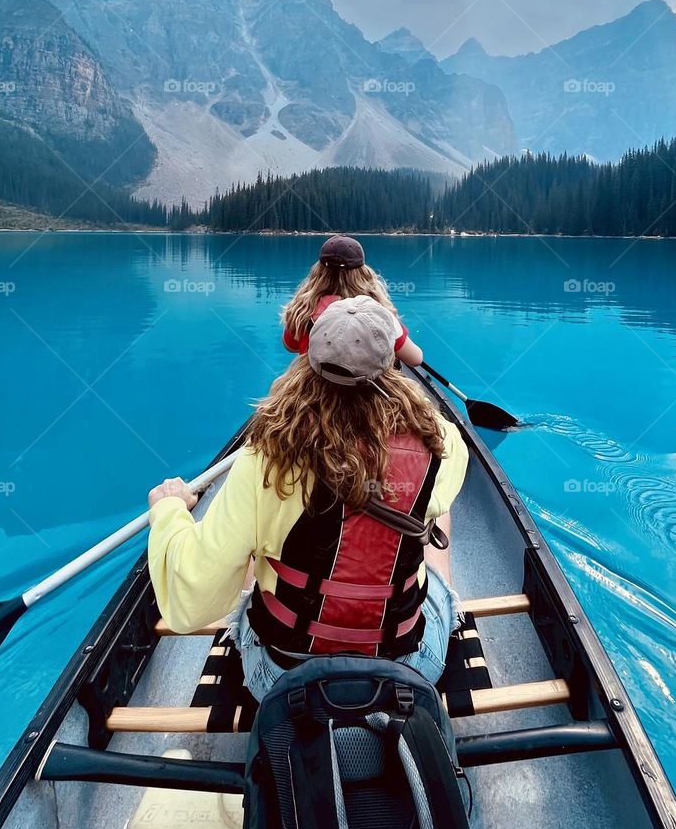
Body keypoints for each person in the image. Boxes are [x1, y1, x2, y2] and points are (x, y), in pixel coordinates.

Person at [147, 296, 467, 700]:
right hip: (409, 666)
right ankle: (446, 596)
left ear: (309, 362)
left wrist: (170, 511)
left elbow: (190, 601)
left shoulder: (262, 458)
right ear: (391, 367)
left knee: (256, 549)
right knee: (433, 523)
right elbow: (434, 468)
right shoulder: (442, 445)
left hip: (284, 677)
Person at [281, 234, 424, 366]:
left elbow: (290, 346)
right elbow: (415, 359)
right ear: (363, 273)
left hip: (313, 388)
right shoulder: (380, 313)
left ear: (318, 272)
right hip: (366, 390)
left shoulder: (304, 310)